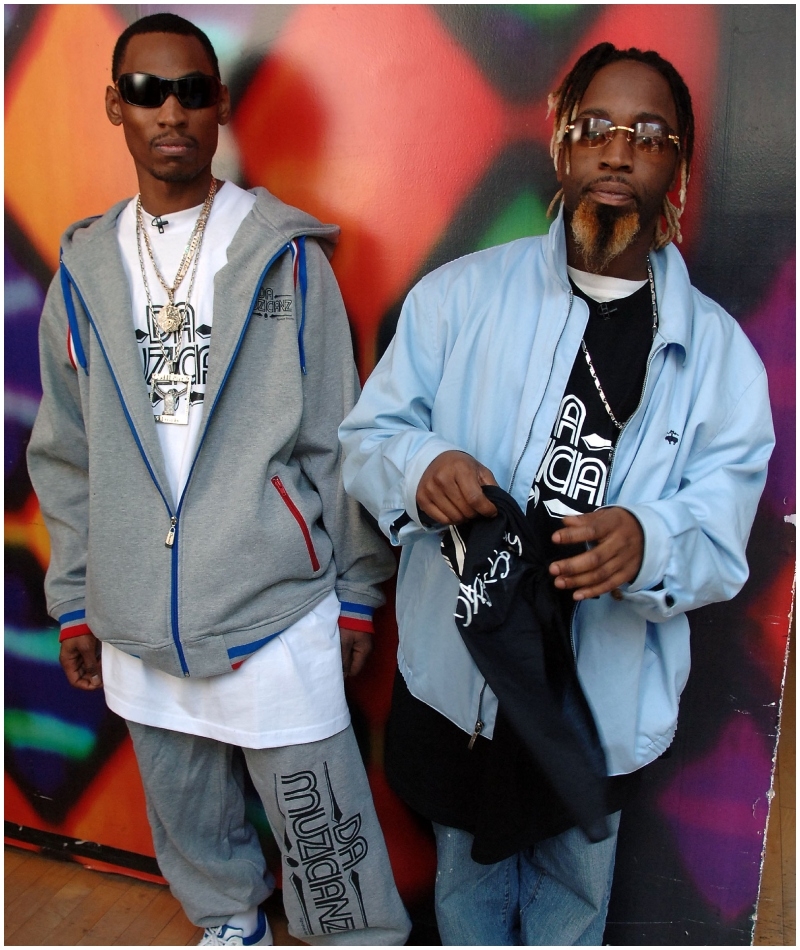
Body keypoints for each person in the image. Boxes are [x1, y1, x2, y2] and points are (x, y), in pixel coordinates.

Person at [339, 42, 774, 946]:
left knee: (575, 905)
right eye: (599, 128)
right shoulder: (457, 299)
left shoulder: (722, 355)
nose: (621, 151)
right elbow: (366, 441)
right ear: (563, 148)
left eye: (650, 136)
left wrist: (649, 543)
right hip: (469, 688)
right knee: (470, 900)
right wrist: (421, 467)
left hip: (598, 709)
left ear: (680, 170)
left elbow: (724, 537)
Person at [27, 13, 410, 947]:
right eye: (149, 90)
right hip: (136, 613)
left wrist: (357, 596)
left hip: (272, 605)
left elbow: (339, 438)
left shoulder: (287, 258)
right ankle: (230, 926)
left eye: (194, 90)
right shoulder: (82, 272)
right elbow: (67, 455)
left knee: (324, 839)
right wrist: (76, 599)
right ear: (114, 104)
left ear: (222, 104)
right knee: (189, 815)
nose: (173, 110)